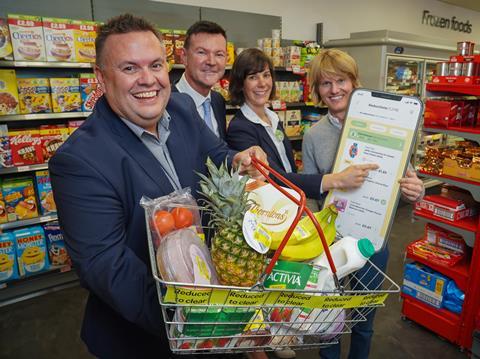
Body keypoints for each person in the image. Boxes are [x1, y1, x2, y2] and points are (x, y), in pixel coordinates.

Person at [49, 13, 267, 359]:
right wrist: (196, 323)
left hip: (212, 302)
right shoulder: (79, 160)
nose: (148, 80)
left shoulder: (180, 108)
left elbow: (217, 154)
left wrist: (240, 158)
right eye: (129, 68)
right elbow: (107, 266)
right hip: (145, 337)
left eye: (155, 64)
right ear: (101, 78)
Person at [302, 48, 424, 359]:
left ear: (354, 82)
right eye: (325, 84)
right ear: (317, 90)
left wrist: (414, 190)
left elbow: (405, 181)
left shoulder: (388, 124)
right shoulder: (313, 135)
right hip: (332, 242)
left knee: (364, 319)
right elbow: (310, 190)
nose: (334, 90)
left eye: (341, 80)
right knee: (327, 318)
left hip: (374, 240)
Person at [226, 48, 378, 202]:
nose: (262, 83)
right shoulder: (240, 128)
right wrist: (337, 179)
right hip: (274, 210)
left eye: (266, 75)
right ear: (240, 84)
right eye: (253, 77)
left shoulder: (272, 118)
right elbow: (275, 177)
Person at [173, 20, 227, 139]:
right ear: (184, 57)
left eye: (219, 54)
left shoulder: (218, 101)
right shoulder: (165, 104)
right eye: (202, 52)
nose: (211, 62)